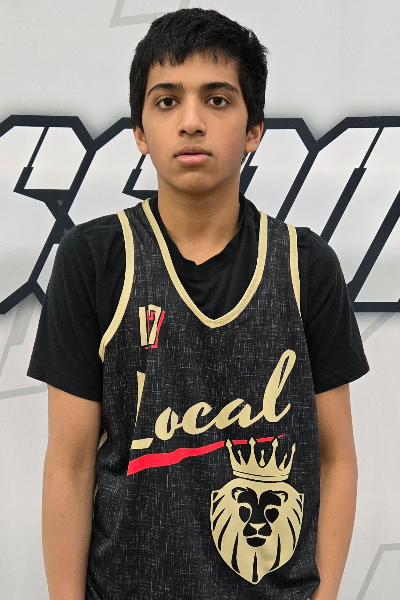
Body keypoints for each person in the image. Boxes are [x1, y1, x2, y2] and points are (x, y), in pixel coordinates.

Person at [27, 7, 370, 600]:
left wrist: (327, 592)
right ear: (139, 131)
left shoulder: (305, 265)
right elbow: (70, 462)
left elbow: (336, 457)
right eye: (167, 101)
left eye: (216, 100)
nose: (191, 122)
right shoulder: (95, 258)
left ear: (253, 128)